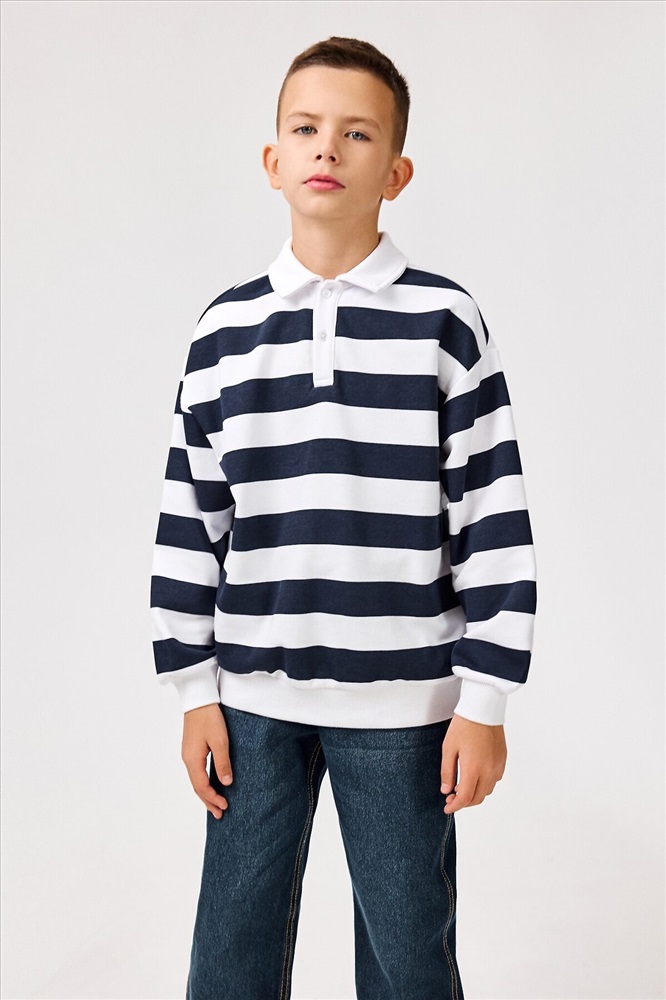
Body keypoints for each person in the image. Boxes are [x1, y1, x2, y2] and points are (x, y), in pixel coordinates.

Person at [150, 35, 536, 1000]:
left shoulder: (445, 323)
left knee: (410, 959)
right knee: (228, 955)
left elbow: (493, 514)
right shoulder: (224, 331)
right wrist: (193, 690)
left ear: (395, 172)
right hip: (251, 704)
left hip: (407, 708)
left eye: (358, 133)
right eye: (306, 128)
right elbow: (190, 517)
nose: (328, 147)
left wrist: (485, 702)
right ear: (272, 160)